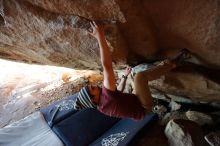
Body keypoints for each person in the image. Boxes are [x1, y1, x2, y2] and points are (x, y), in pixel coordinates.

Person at [73, 21, 189, 120]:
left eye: (91, 85)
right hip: (144, 107)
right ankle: (172, 64)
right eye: (93, 89)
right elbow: (107, 66)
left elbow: (118, 91)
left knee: (134, 77)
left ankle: (162, 67)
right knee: (139, 77)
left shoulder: (102, 106)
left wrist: (125, 76)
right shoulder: (107, 96)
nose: (95, 85)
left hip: (135, 100)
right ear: (93, 100)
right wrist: (100, 36)